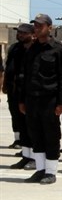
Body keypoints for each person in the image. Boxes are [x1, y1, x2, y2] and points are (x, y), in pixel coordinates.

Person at [19, 13, 62, 185]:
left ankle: (50, 171)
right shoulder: (31, 49)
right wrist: (22, 100)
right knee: (36, 135)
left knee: (51, 135)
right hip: (32, 99)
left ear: (50, 28)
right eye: (35, 25)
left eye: (40, 26)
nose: (37, 28)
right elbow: (25, 76)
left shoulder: (58, 50)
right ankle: (40, 169)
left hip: (50, 100)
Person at [4, 24, 36, 170]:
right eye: (19, 33)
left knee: (32, 127)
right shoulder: (15, 49)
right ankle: (26, 155)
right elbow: (10, 68)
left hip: (30, 93)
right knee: (21, 125)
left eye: (24, 33)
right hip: (16, 91)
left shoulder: (35, 49)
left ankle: (35, 157)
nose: (20, 35)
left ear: (32, 34)